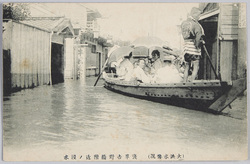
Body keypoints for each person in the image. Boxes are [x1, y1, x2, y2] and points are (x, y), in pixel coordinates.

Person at [181, 7, 205, 82]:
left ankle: (184, 83)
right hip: (193, 48)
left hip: (186, 48)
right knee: (196, 66)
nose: (199, 17)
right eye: (198, 15)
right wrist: (199, 45)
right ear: (194, 14)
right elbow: (198, 38)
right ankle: (192, 83)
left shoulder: (184, 23)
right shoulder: (196, 25)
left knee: (187, 67)